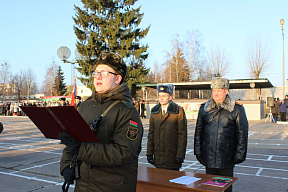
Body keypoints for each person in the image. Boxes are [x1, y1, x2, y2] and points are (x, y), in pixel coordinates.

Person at [58, 52, 143, 192]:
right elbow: (72, 141)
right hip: (84, 185)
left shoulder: (127, 111)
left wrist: (81, 149)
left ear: (118, 79)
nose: (97, 76)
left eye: (103, 73)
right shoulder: (85, 105)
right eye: (96, 72)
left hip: (112, 186)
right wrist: (66, 165)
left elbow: (125, 152)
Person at [194, 77, 249, 192]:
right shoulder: (204, 108)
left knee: (225, 189)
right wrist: (198, 151)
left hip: (227, 159)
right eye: (214, 90)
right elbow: (198, 132)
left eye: (219, 90)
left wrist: (240, 154)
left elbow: (242, 133)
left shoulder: (236, 109)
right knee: (210, 188)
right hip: (209, 159)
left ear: (226, 91)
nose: (216, 93)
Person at [146, 84, 187, 171]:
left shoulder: (178, 111)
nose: (161, 98)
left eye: (164, 96)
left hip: (172, 156)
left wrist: (180, 155)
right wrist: (149, 153)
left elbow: (182, 135)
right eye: (160, 96)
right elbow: (151, 134)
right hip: (158, 157)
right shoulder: (154, 112)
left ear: (170, 97)